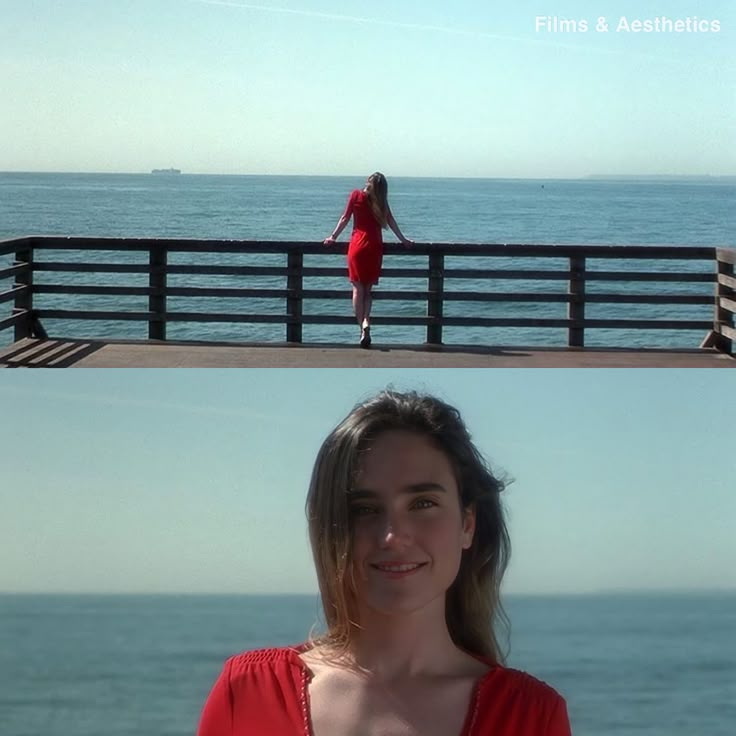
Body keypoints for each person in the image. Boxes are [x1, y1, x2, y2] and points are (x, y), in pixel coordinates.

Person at [197, 390, 572, 736]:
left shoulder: (532, 717)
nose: (392, 536)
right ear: (331, 528)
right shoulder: (247, 692)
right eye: (364, 510)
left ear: (468, 524)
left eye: (423, 503)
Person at [323, 173, 413, 348]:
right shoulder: (380, 201)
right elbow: (391, 222)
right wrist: (404, 240)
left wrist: (333, 236)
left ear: (368, 183)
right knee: (368, 290)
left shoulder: (356, 195)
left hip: (357, 245)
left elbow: (345, 218)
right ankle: (366, 320)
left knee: (357, 289)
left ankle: (362, 327)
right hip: (374, 246)